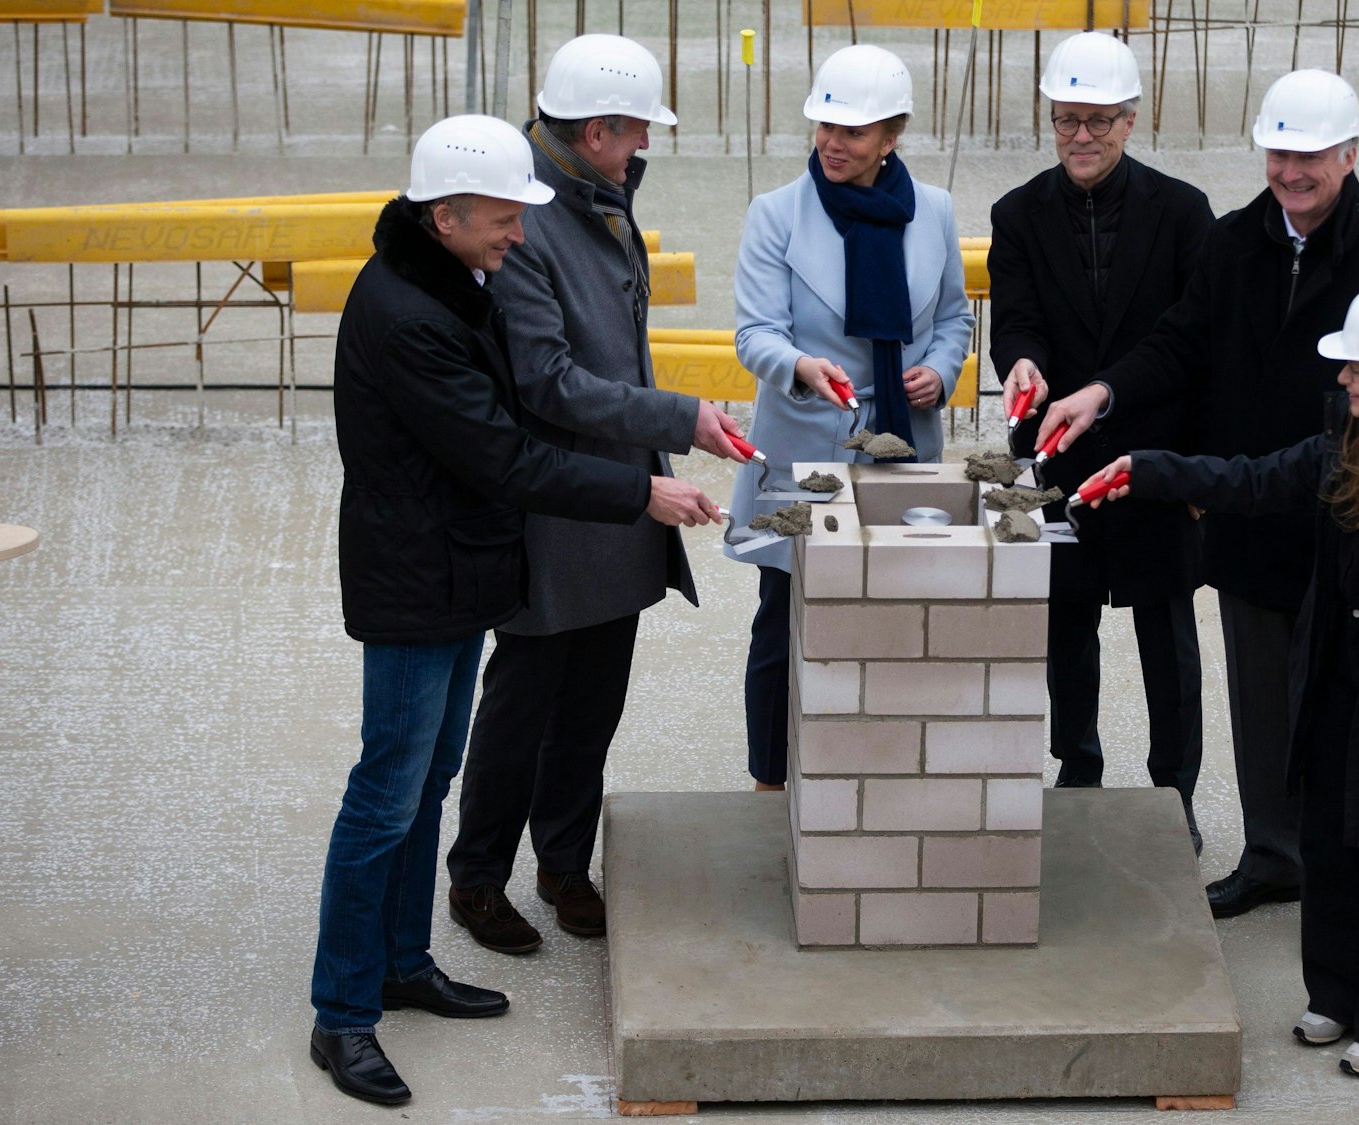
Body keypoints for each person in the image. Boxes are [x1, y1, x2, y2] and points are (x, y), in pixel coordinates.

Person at [313, 114, 716, 1107]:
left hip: (455, 573)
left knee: (427, 779)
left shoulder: (452, 280)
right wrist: (640, 493)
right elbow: (503, 455)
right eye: (502, 218)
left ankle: (404, 962)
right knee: (385, 794)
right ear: (444, 215)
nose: (518, 235)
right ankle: (341, 1015)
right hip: (416, 586)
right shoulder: (409, 317)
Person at [1032, 68, 1359, 918]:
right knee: (1262, 701)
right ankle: (1274, 855)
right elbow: (1178, 346)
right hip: (1255, 517)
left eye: (1311, 157)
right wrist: (1102, 393)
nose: (1291, 172)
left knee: (1347, 701)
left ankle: (1348, 859)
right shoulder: (1235, 244)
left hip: (1355, 523)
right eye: (1278, 153)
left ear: (1350, 154)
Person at [1084, 281, 1359, 1079]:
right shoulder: (1351, 442)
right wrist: (1151, 469)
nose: (1343, 378)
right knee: (1334, 846)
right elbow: (1253, 480)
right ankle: (1337, 993)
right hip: (1343, 688)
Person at [444, 33, 744, 956]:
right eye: (636, 133)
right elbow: (547, 379)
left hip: (618, 495)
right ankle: (479, 877)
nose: (644, 147)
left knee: (593, 700)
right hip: (557, 505)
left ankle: (565, 862)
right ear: (597, 127)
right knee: (525, 698)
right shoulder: (529, 213)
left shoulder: (598, 191)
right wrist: (679, 415)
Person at [988, 31, 1213, 852]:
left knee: (1166, 631)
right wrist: (1023, 364)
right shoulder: (1017, 215)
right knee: (1065, 625)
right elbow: (1017, 315)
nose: (1080, 136)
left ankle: (1174, 789)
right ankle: (1077, 768)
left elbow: (1197, 341)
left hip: (1152, 452)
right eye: (1064, 120)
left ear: (1129, 121)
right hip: (1057, 453)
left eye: (1096, 121)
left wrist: (1198, 470)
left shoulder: (1184, 214)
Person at [731, 43, 973, 790]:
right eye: (825, 127)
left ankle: (877, 765)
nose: (834, 144)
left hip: (903, 442)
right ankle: (772, 777)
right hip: (807, 438)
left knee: (895, 607)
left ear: (891, 137)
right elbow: (755, 333)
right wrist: (802, 367)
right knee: (786, 611)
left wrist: (939, 368)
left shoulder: (932, 210)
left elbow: (956, 319)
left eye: (854, 132)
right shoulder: (776, 214)